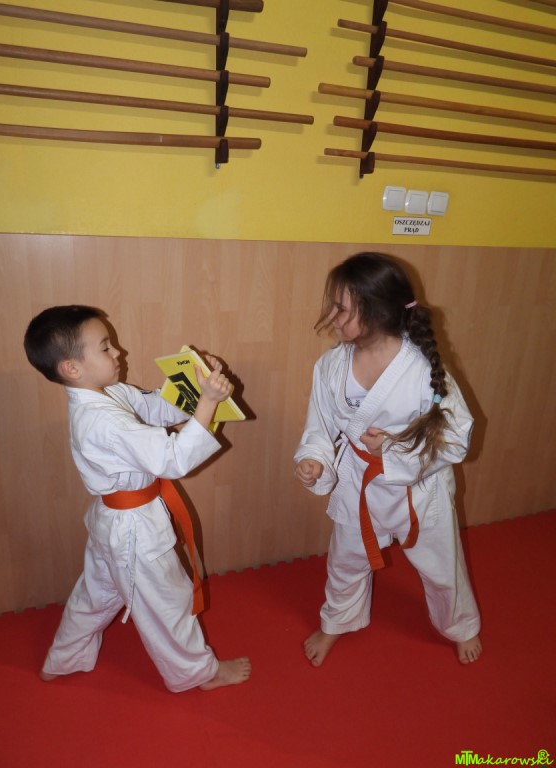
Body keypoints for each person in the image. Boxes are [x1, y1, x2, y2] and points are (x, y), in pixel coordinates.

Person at [24, 305, 251, 692]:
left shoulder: (108, 394)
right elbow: (173, 459)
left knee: (96, 595)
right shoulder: (103, 421)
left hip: (113, 524)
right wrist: (209, 404)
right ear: (72, 368)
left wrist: (201, 386)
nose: (118, 352)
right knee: (168, 602)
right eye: (105, 347)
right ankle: (197, 674)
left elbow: (157, 407)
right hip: (134, 532)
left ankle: (63, 658)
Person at [294, 253, 482, 667]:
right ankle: (336, 622)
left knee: (442, 567)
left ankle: (461, 625)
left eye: (342, 309)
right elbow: (319, 427)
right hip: (359, 484)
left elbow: (456, 437)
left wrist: (394, 450)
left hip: (419, 490)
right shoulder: (331, 366)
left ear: (377, 311)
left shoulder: (422, 369)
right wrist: (315, 459)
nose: (333, 317)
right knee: (345, 562)